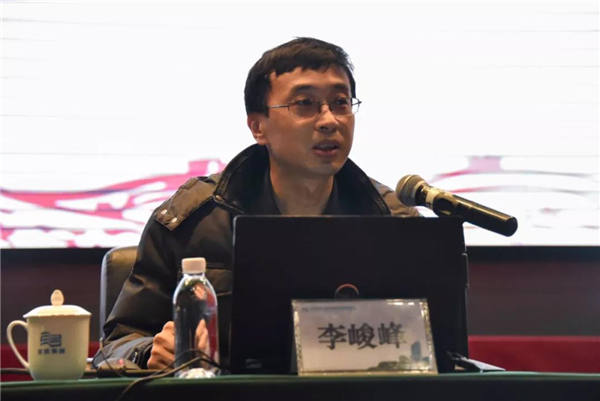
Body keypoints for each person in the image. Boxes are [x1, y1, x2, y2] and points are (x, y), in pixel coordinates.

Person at [95, 37, 420, 370]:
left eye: (340, 103)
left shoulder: (394, 221)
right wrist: (149, 351)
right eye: (305, 104)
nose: (329, 120)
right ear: (257, 126)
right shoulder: (193, 222)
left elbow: (435, 341)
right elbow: (117, 342)